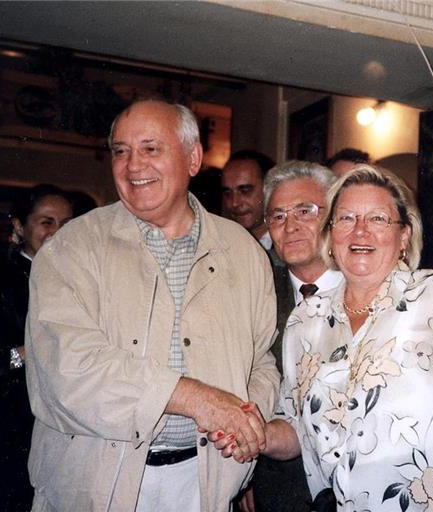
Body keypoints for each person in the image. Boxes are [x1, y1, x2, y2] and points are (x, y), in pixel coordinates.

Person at [24, 99, 279, 511]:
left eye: (150, 148)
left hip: (205, 484)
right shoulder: (72, 248)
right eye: (121, 151)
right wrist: (198, 399)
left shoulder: (242, 251)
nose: (133, 165)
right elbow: (66, 370)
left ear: (193, 158)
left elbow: (260, 360)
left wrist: (245, 418)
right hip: (96, 485)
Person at [248, 164, 433, 511]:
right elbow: (298, 429)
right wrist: (255, 434)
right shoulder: (305, 321)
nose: (360, 231)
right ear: (331, 234)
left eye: (377, 219)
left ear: (404, 236)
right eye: (346, 219)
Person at [239, 161, 342, 512]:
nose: (291, 225)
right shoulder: (258, 301)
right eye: (278, 216)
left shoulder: (370, 291)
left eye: (305, 210)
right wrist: (244, 474)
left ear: (334, 216)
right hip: (282, 485)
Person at [0, 184, 74, 511]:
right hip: (8, 427)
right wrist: (25, 353)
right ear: (20, 226)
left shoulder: (83, 282)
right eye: (47, 222)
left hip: (65, 427)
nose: (57, 233)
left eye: (66, 223)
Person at [220, 150, 279, 263]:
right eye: (228, 193)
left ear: (270, 189)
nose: (235, 203)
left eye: (245, 191)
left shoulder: (289, 242)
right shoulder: (220, 246)